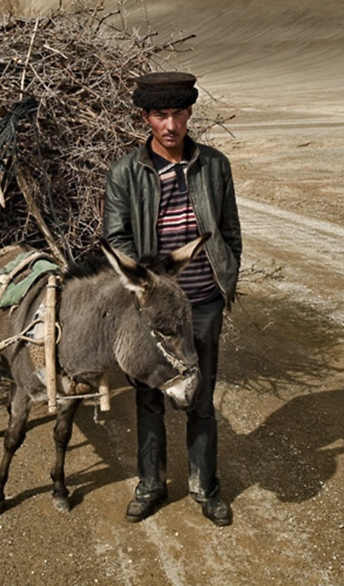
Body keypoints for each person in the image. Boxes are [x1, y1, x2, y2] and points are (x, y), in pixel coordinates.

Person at [103, 71, 242, 527]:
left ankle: (206, 488)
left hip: (203, 303)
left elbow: (230, 231)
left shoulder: (215, 166)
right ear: (145, 117)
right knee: (148, 398)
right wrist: (146, 290)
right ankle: (151, 484)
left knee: (201, 397)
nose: (170, 125)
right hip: (152, 311)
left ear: (189, 113)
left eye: (178, 114)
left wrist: (226, 276)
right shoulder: (125, 172)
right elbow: (116, 237)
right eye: (160, 115)